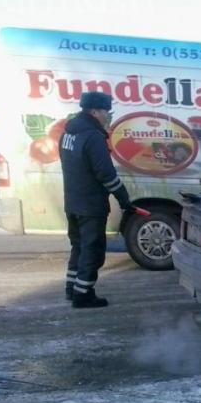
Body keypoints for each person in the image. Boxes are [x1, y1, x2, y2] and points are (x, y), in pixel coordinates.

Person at [60, 91, 135, 308]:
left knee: (78, 246)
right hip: (91, 205)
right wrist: (124, 199)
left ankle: (72, 288)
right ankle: (83, 295)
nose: (107, 116)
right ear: (94, 112)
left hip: (72, 202)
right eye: (105, 112)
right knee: (92, 250)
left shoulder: (68, 133)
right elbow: (106, 174)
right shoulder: (93, 137)